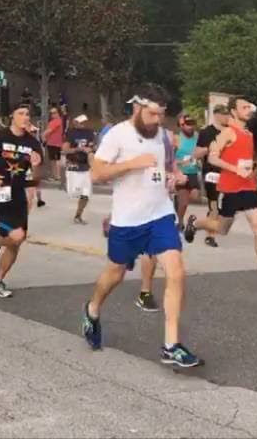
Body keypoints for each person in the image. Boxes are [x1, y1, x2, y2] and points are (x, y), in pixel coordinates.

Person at [81, 89, 201, 368]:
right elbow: (97, 174)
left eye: (161, 114)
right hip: (127, 219)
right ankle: (92, 308)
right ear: (136, 107)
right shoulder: (117, 135)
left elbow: (168, 166)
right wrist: (132, 164)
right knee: (115, 274)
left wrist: (175, 177)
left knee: (176, 271)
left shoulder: (162, 135)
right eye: (151, 114)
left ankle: (171, 344)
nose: (157, 120)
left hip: (159, 214)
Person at [183, 96, 257, 288]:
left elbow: (242, 159)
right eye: (243, 107)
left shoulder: (248, 134)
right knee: (222, 229)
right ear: (233, 112)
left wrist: (256, 165)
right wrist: (234, 169)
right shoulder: (227, 133)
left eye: (249, 106)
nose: (248, 109)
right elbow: (213, 158)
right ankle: (195, 223)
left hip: (248, 187)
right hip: (229, 190)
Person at [0, 102, 43, 298]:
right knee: (16, 236)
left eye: (28, 114)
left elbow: (37, 175)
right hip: (0, 194)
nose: (25, 117)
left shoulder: (32, 143)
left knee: (16, 243)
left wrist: (36, 166)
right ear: (12, 116)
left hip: (19, 195)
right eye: (21, 113)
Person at [192, 106, 228, 248]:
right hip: (211, 172)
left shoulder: (230, 132)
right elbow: (197, 153)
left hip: (227, 172)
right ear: (216, 115)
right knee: (214, 205)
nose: (227, 117)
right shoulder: (206, 132)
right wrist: (211, 148)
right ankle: (210, 236)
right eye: (224, 114)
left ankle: (201, 225)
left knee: (224, 207)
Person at [62, 114, 97, 225]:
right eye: (79, 122)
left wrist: (91, 149)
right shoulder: (71, 133)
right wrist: (79, 149)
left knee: (85, 194)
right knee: (74, 192)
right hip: (73, 165)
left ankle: (78, 215)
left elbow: (93, 147)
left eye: (83, 122)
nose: (81, 124)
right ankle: (65, 184)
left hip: (85, 166)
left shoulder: (90, 133)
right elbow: (65, 150)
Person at [172, 114, 202, 228]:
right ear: (181, 125)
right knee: (184, 202)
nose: (191, 127)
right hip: (181, 173)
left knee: (195, 197)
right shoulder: (177, 138)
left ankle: (178, 200)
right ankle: (180, 222)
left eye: (192, 124)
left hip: (193, 171)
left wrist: (199, 161)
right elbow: (170, 158)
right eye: (188, 124)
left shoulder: (197, 137)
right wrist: (180, 162)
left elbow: (200, 152)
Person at [44, 106, 65, 183]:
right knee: (53, 160)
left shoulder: (57, 121)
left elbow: (48, 131)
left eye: (54, 112)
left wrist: (43, 135)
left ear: (58, 113)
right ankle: (54, 175)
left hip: (55, 143)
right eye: (51, 113)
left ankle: (57, 176)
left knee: (56, 160)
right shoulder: (53, 121)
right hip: (51, 142)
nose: (52, 114)